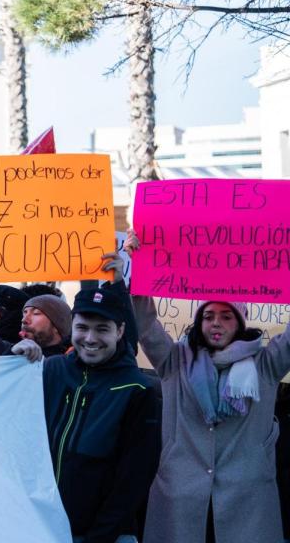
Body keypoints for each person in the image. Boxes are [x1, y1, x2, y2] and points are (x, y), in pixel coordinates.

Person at [124, 229, 290, 543]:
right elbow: (144, 326)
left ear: (240, 322)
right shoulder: (175, 361)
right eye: (209, 315)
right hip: (182, 498)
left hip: (247, 503)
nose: (216, 322)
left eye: (227, 316)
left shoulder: (266, 364)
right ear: (199, 322)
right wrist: (139, 267)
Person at [13, 256, 160, 543]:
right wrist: (13, 361)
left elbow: (132, 481)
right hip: (37, 528)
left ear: (120, 331)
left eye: (102, 329)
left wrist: (97, 538)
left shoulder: (137, 390)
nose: (90, 338)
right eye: (82, 327)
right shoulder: (51, 370)